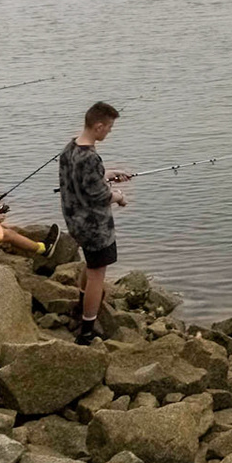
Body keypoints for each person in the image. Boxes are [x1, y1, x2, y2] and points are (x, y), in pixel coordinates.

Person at [59, 102, 130, 344]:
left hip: (74, 220)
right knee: (97, 274)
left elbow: (81, 181)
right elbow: (99, 195)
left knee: (89, 265)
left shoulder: (70, 148)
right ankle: (87, 331)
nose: (109, 131)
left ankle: (79, 309)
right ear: (98, 126)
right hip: (94, 227)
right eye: (109, 127)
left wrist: (106, 175)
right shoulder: (90, 158)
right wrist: (118, 197)